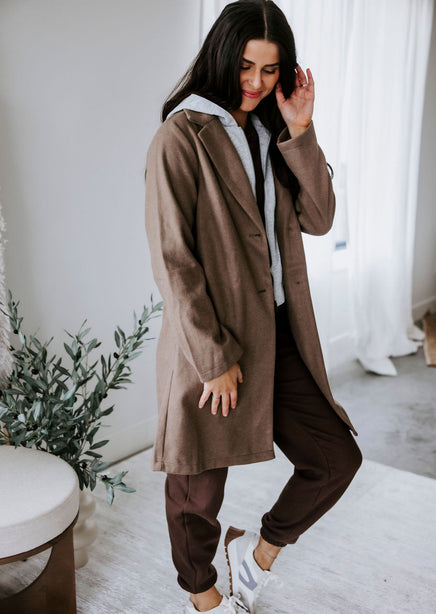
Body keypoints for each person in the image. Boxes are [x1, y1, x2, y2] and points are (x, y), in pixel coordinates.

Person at [145, 1, 362, 612]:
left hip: (279, 331)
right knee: (197, 488)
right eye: (245, 66)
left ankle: (256, 554)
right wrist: (214, 358)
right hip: (212, 341)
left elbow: (319, 218)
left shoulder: (273, 135)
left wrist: (301, 130)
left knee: (335, 459)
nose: (256, 82)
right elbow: (173, 260)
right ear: (220, 56)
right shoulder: (180, 136)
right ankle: (203, 596)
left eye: (270, 70)